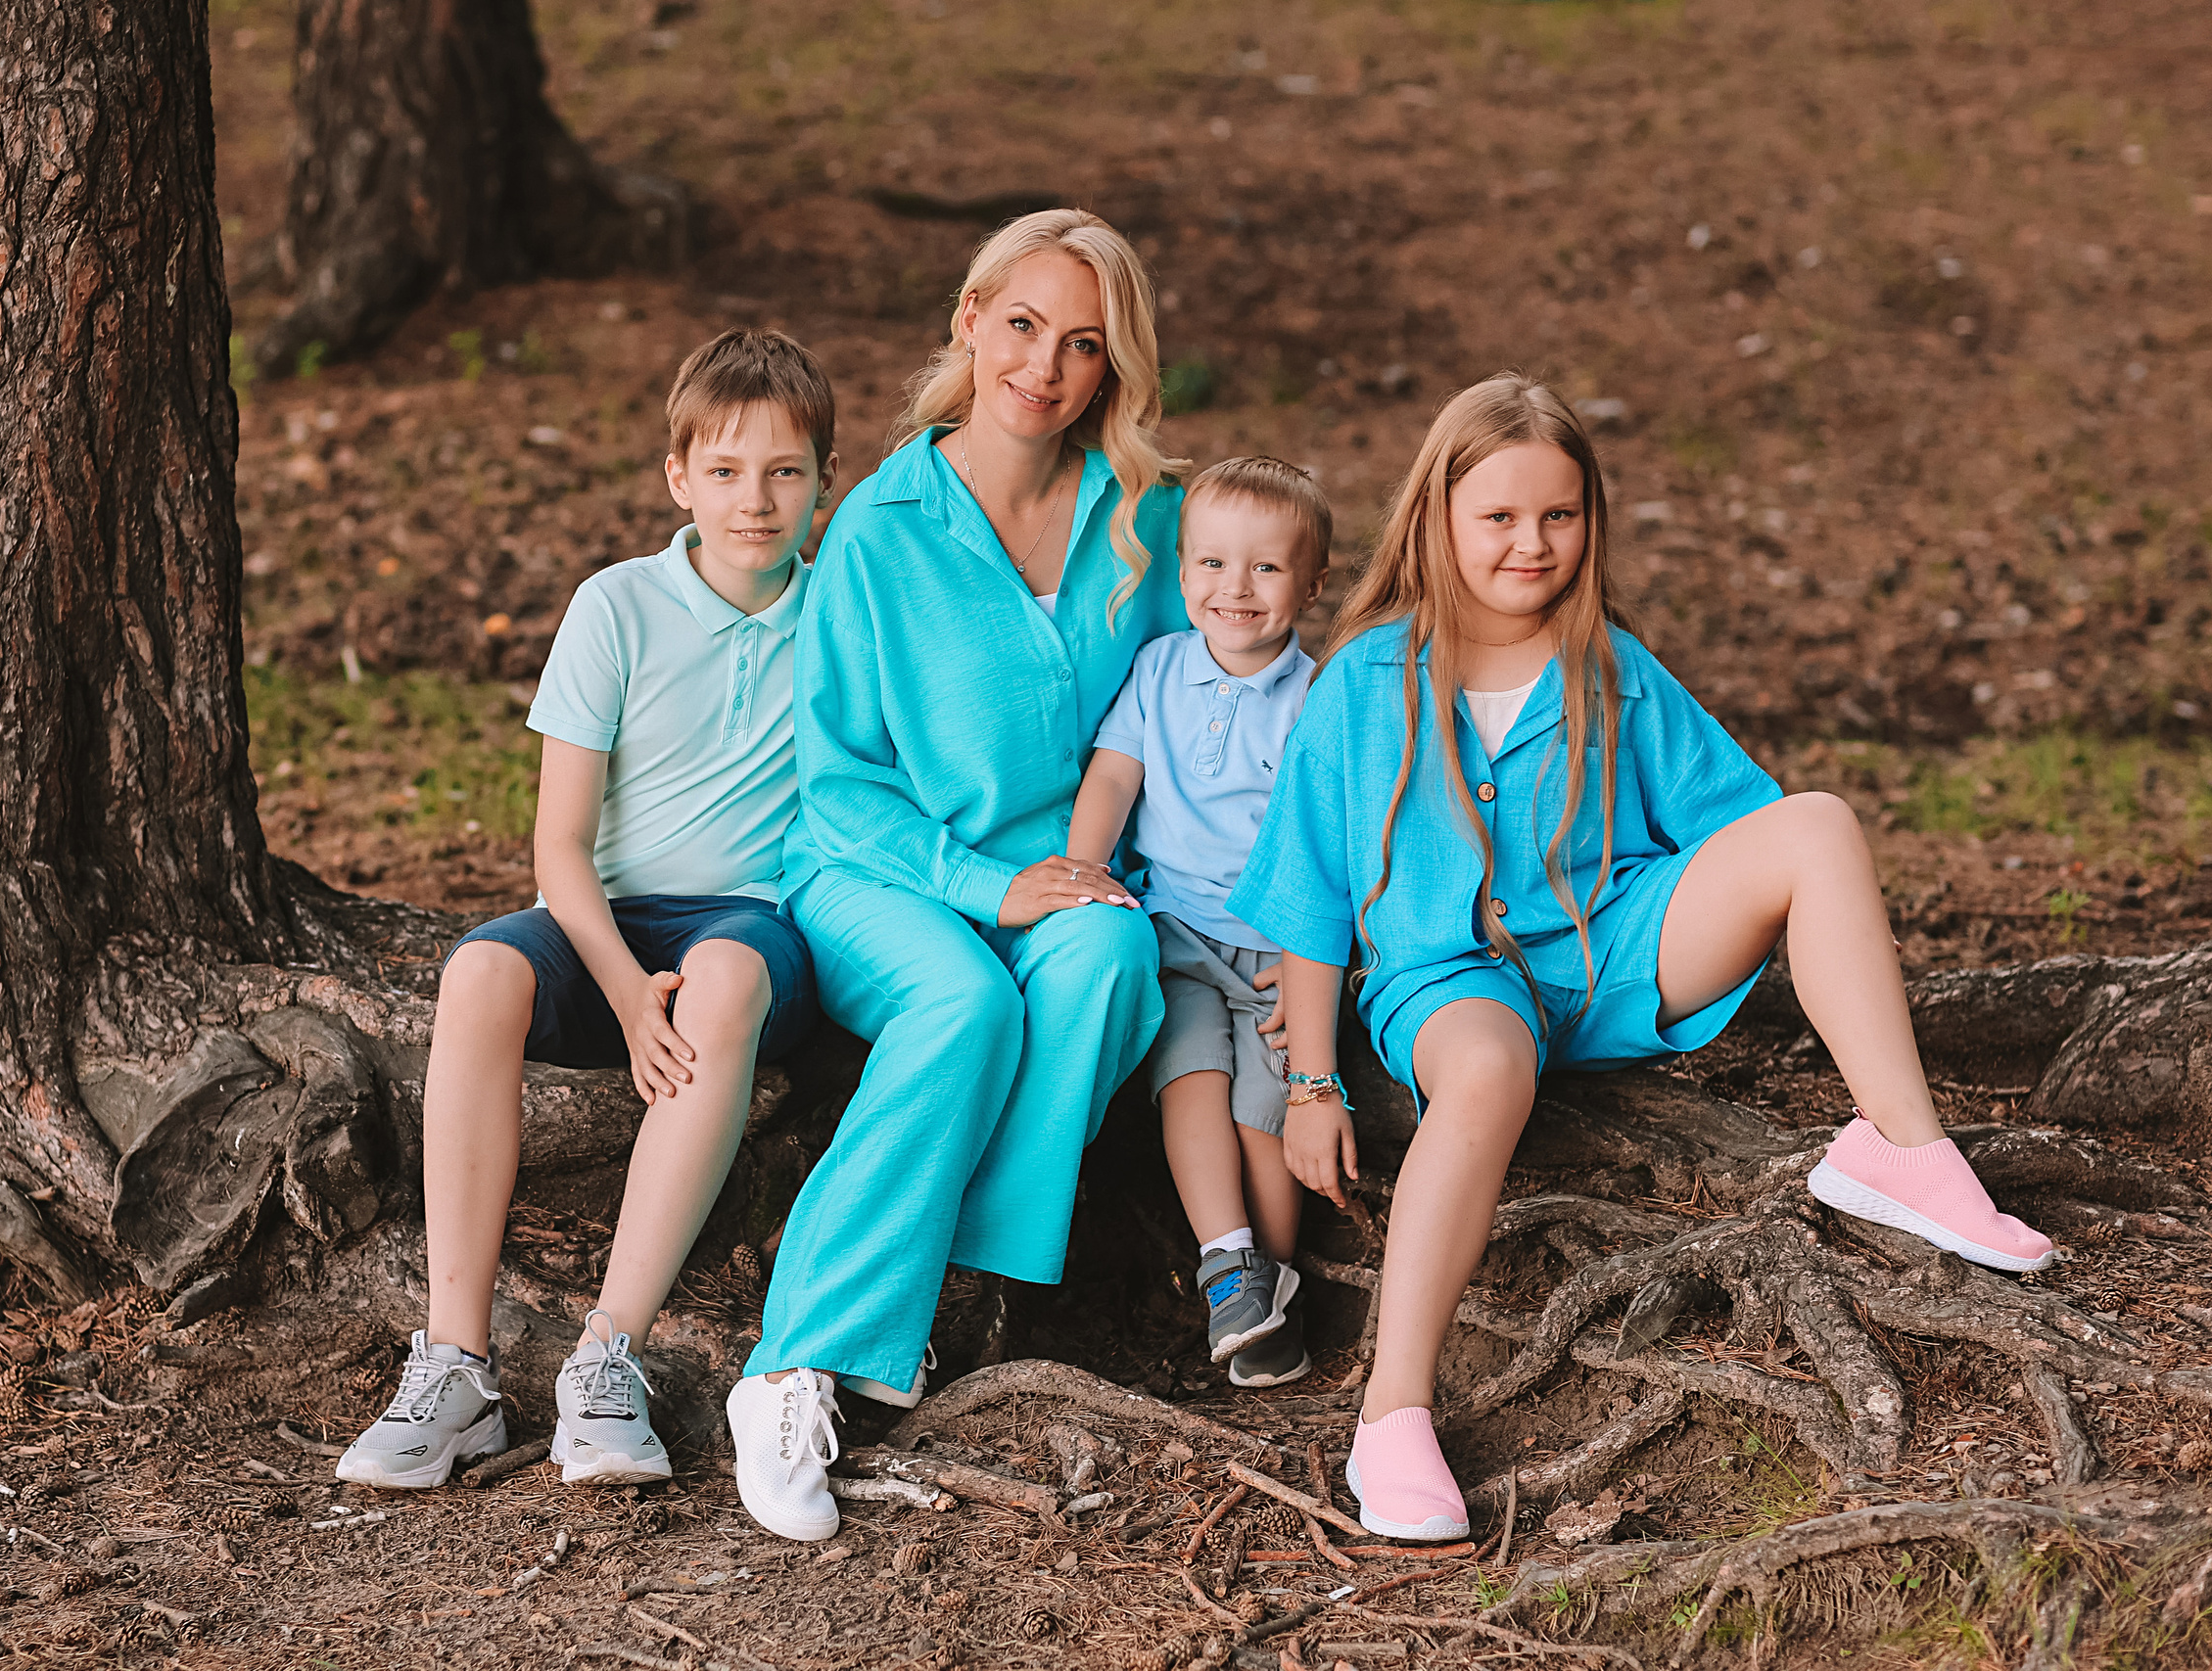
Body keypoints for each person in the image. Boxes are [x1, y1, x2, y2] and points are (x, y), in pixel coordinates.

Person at [1232, 371, 2054, 1543]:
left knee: (1815, 823)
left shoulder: (1609, 664)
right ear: (1437, 518)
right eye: (1500, 518)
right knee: (1484, 1070)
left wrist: (1777, 909)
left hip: (1612, 945)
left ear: (1590, 522)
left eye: (1558, 517)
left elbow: (1740, 830)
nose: (1532, 545)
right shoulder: (1364, 681)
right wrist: (1311, 1083)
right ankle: (1393, 1411)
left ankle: (1900, 1149)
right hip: (1450, 980)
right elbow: (1310, 905)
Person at [726, 209, 1190, 1542]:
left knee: (1107, 963)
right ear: (971, 317)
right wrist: (986, 889)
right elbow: (843, 782)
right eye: (1025, 325)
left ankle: (967, 1287)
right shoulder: (882, 526)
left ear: (1113, 371)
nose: (1044, 366)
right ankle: (792, 1363)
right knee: (966, 1006)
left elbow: (1184, 711)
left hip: (1070, 872)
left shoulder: (1145, 523)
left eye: (1084, 345)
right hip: (878, 868)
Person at [337, 329, 837, 1491]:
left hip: (749, 925)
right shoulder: (616, 608)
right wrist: (620, 990)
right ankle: (455, 1367)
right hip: (605, 917)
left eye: (783, 473)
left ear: (824, 483)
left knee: (719, 980)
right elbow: (558, 842)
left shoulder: (838, 621)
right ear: (677, 479)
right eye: (723, 471)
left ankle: (607, 1357)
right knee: (478, 972)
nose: (753, 502)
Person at [1065, 457, 1331, 1389]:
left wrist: (1322, 965)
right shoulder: (1159, 666)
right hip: (1175, 927)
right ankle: (1227, 1263)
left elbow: (1336, 846)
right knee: (1191, 1079)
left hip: (1271, 949)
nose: (1235, 589)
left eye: (1265, 568)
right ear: (1182, 573)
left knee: (1264, 1112)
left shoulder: (1315, 702)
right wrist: (1086, 867)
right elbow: (1114, 774)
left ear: (1311, 582)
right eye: (1212, 564)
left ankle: (1276, 1284)